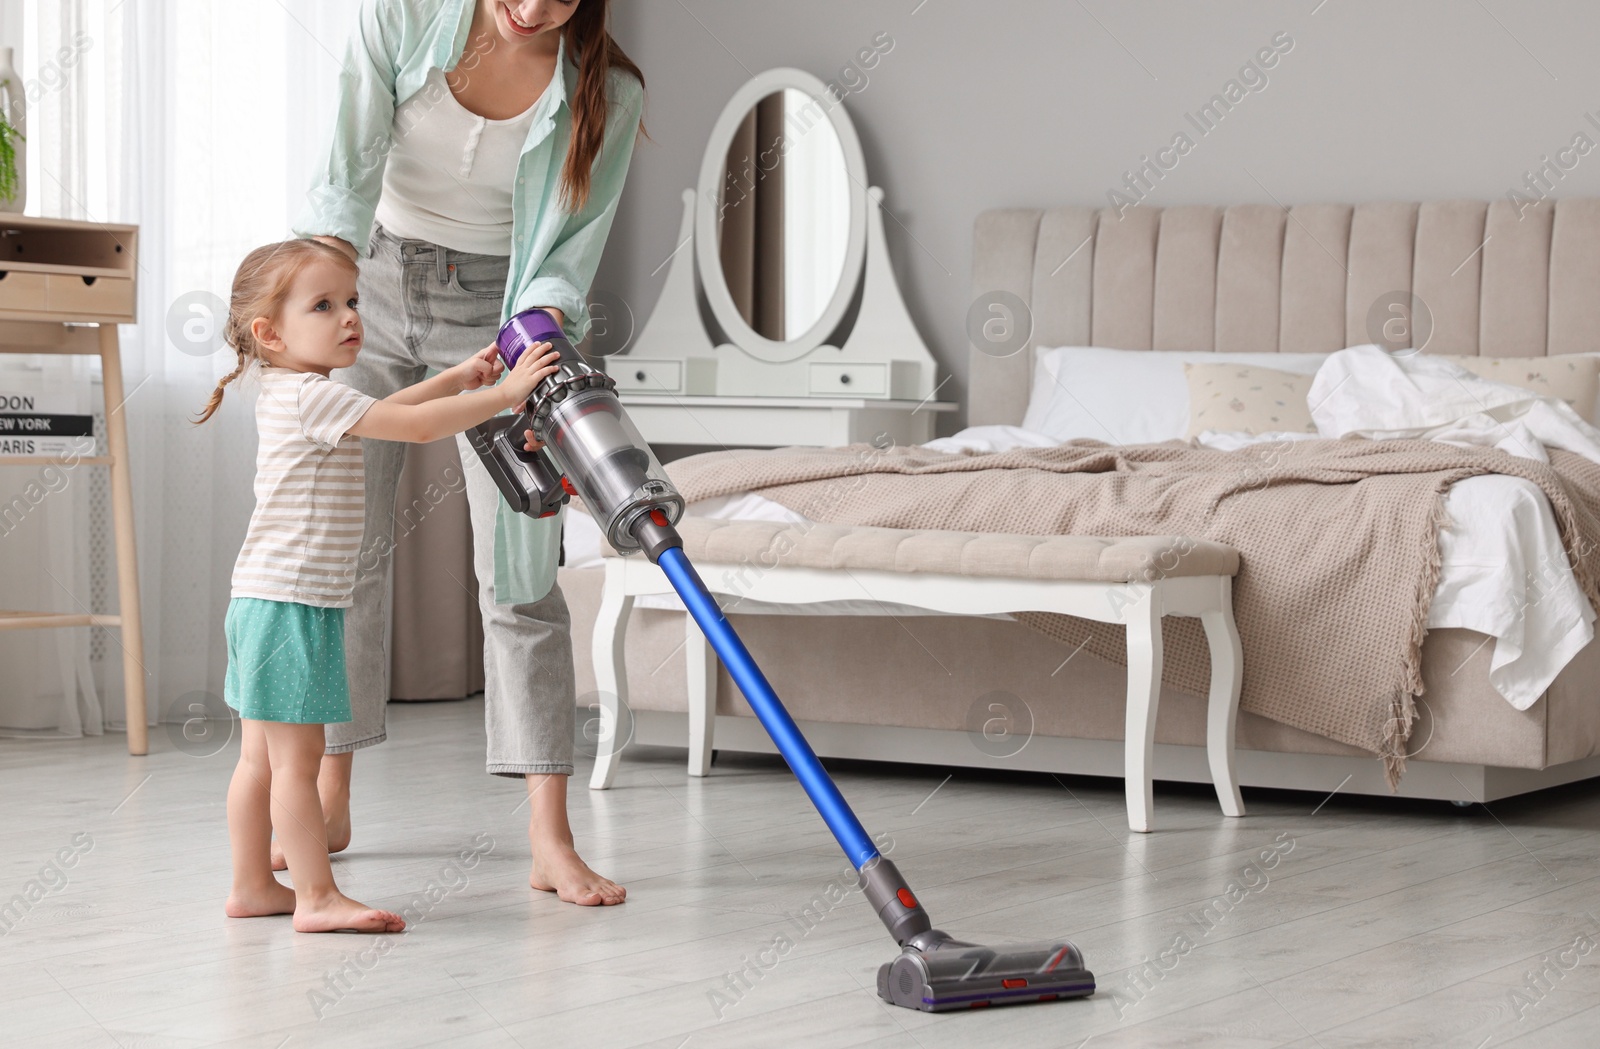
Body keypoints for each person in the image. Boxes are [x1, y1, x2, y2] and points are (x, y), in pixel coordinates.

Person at [291, 0, 644, 905]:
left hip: (497, 313)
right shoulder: (402, 19)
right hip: (362, 287)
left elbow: (569, 252)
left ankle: (548, 836)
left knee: (521, 567)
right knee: (344, 550)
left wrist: (539, 340)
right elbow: (345, 168)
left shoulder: (608, 91)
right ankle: (331, 797)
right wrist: (318, 302)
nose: (532, 10)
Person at [198, 239, 558, 932]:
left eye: (354, 301)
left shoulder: (300, 393)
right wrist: (505, 394)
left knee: (258, 758)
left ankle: (250, 883)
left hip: (260, 601)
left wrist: (460, 377)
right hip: (295, 606)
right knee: (299, 765)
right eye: (325, 305)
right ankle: (316, 897)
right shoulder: (312, 398)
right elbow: (415, 426)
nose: (350, 318)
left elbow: (392, 405)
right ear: (270, 332)